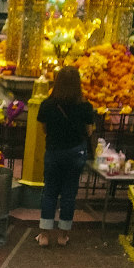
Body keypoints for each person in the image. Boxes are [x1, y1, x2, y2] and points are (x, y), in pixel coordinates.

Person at [35, 66, 94, 246]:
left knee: (50, 191)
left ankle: (44, 235)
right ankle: (62, 236)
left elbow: (44, 128)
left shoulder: (47, 105)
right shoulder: (85, 106)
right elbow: (89, 131)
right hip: (75, 153)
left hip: (54, 151)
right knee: (69, 194)